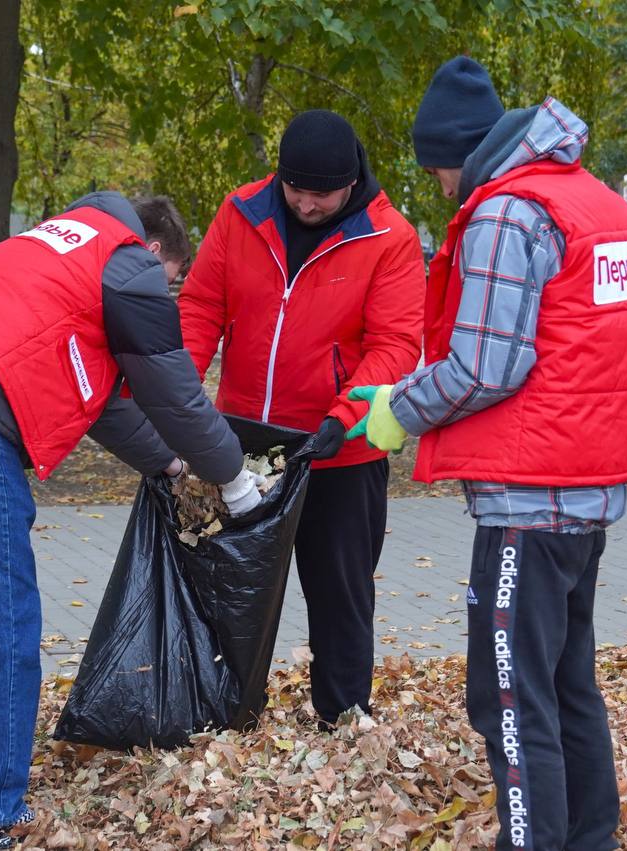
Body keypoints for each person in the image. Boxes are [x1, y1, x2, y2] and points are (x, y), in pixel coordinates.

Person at [0, 193, 262, 850]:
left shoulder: (61, 245)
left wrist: (169, 466)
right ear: (159, 251)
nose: (163, 293)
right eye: (172, 281)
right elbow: (173, 389)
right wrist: (233, 476)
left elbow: (102, 399)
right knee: (2, 622)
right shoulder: (129, 261)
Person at [346, 57, 627, 850]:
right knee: (567, 685)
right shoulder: (599, 203)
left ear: (459, 151)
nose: (441, 187)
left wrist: (396, 410)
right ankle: (592, 837)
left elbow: (487, 365)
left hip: (528, 498)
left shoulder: (507, 214)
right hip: (586, 492)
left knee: (510, 699)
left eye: (436, 169)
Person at [178, 110, 425, 727]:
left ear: (351, 183)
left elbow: (396, 344)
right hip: (241, 445)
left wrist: (346, 415)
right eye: (296, 189)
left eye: (321, 194)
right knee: (232, 585)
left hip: (340, 448)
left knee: (340, 590)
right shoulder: (241, 213)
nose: (307, 204)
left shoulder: (388, 238)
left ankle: (342, 714)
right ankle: (221, 708)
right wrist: (178, 393)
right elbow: (201, 308)